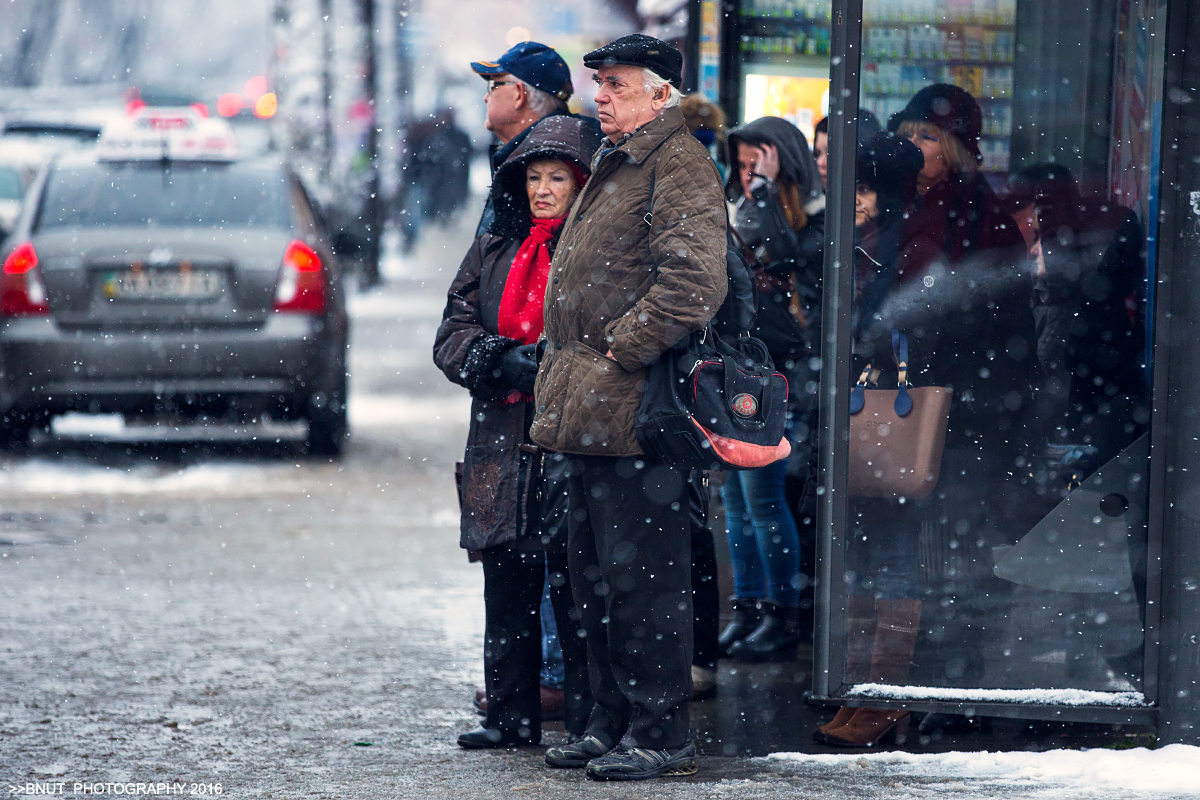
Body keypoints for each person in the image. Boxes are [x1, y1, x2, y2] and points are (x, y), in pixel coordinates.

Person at [531, 34, 727, 781]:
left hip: (634, 412)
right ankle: (610, 721)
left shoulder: (675, 163)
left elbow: (693, 282)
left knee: (644, 583)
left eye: (615, 83)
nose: (600, 96)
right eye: (599, 83)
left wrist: (621, 348)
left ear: (659, 94)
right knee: (593, 581)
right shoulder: (621, 158)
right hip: (588, 412)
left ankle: (659, 729)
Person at [433, 115, 603, 749]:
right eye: (533, 177)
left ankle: (589, 721)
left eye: (557, 177)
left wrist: (559, 368)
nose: (543, 189)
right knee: (506, 580)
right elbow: (451, 330)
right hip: (501, 439)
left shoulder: (596, 250)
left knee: (575, 586)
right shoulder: (495, 246)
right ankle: (510, 716)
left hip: (573, 439)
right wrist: (494, 357)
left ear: (581, 183)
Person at [813, 132, 945, 748]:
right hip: (867, 414)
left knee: (889, 558)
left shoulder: (910, 245)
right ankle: (867, 690)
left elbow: (901, 327)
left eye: (864, 188)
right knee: (867, 557)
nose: (855, 200)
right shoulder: (868, 243)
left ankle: (886, 695)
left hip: (891, 416)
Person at [717, 116, 825, 662]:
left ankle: (782, 613)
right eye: (740, 164)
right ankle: (750, 606)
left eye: (758, 160)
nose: (747, 172)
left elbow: (787, 257)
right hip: (741, 368)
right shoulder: (740, 208)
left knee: (763, 496)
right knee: (734, 499)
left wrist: (764, 192)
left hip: (783, 372)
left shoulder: (815, 218)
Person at [886, 83, 1024, 264]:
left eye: (927, 137)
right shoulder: (888, 195)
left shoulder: (974, 213)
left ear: (953, 152)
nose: (912, 144)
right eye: (906, 135)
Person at [470, 41, 584, 238]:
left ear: (519, 94)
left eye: (492, 85)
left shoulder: (544, 160)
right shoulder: (527, 155)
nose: (486, 97)